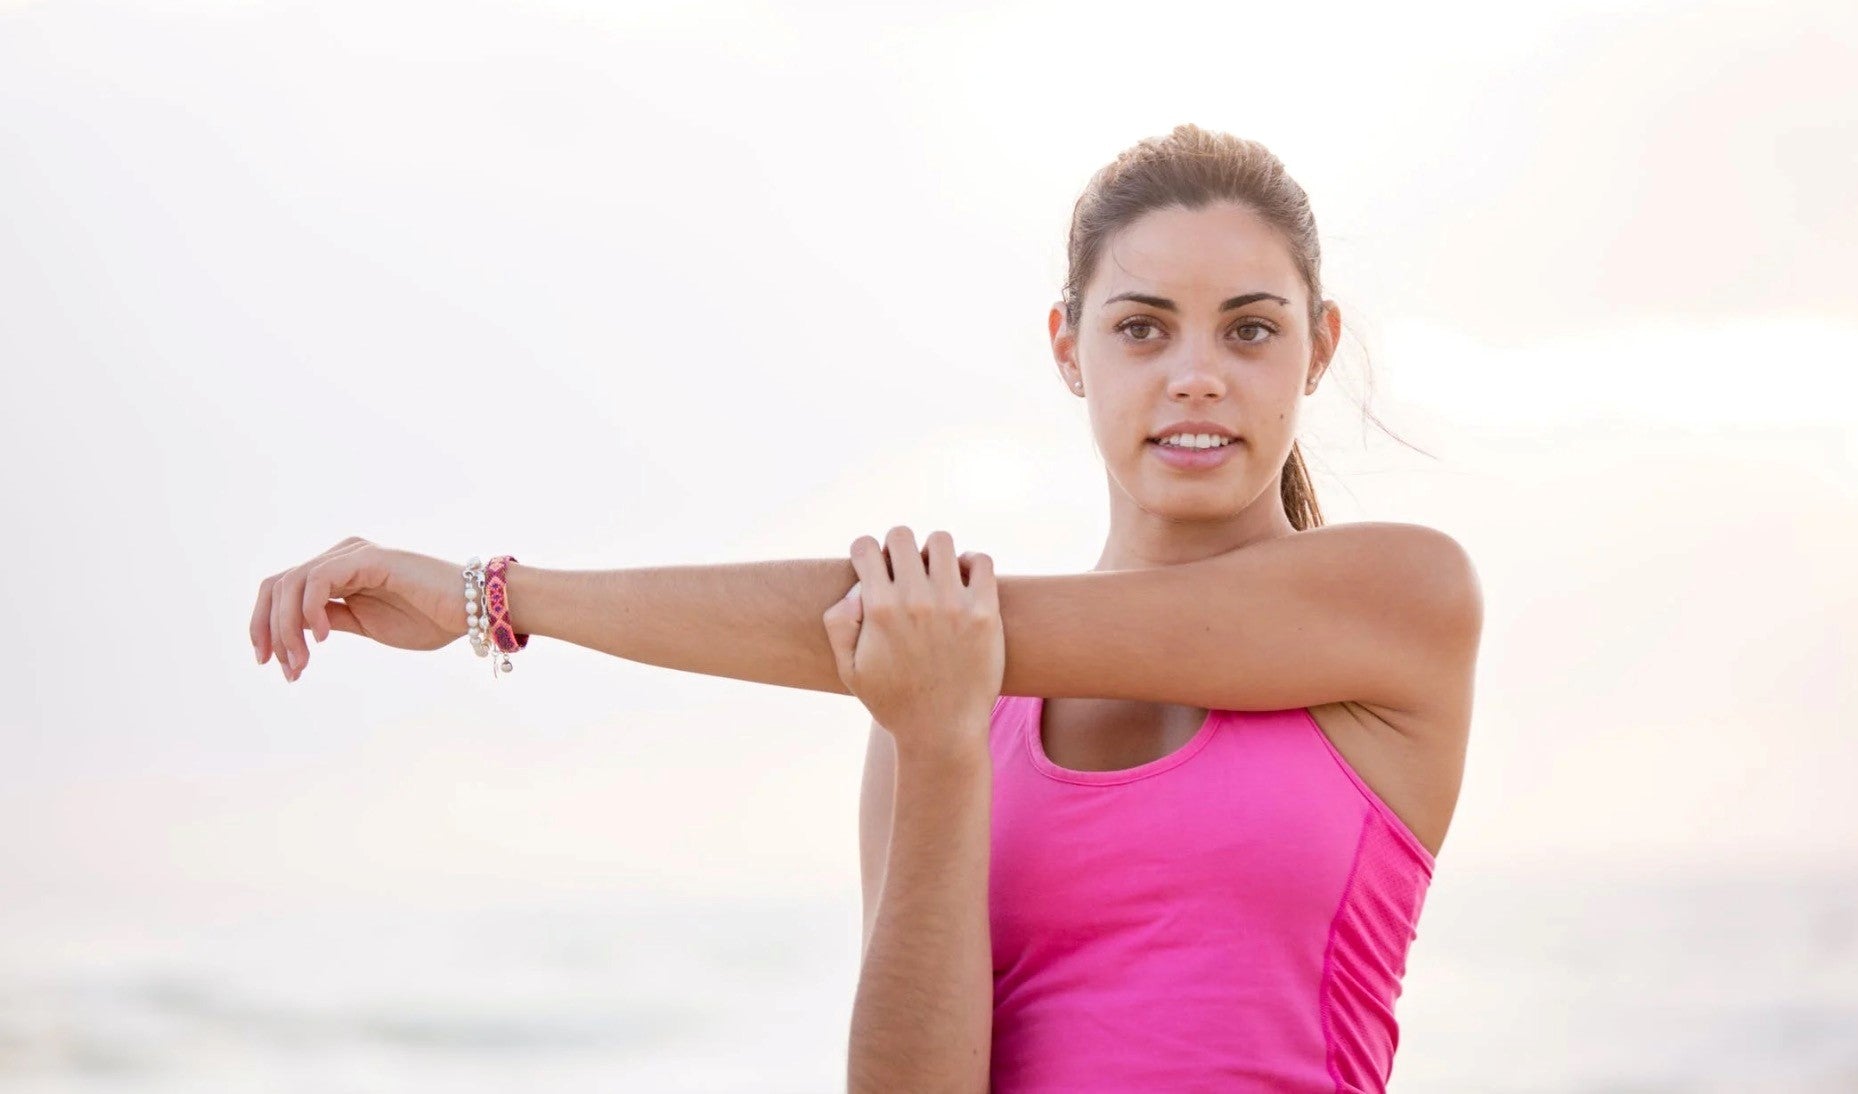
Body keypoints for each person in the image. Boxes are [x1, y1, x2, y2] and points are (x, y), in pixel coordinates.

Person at [249, 123, 1482, 1093]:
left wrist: (491, 596)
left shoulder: (1398, 601)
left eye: (1249, 329)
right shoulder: (932, 682)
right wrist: (939, 745)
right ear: (1068, 347)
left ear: (1317, 348)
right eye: (1142, 327)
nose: (1195, 373)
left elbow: (882, 621)